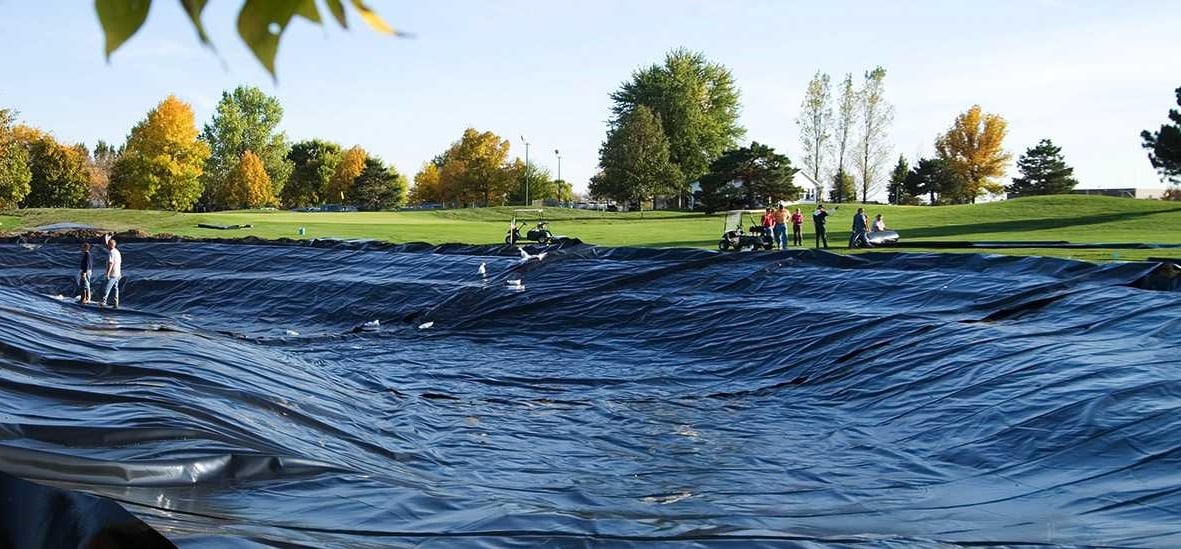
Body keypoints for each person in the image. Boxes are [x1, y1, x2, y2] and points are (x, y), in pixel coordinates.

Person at [101, 237, 122, 308]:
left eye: (108, 244)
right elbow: (119, 263)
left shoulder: (111, 252)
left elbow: (111, 263)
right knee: (115, 288)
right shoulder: (117, 252)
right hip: (117, 273)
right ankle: (115, 303)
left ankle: (103, 302)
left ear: (110, 245)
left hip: (112, 274)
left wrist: (107, 274)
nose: (107, 245)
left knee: (107, 288)